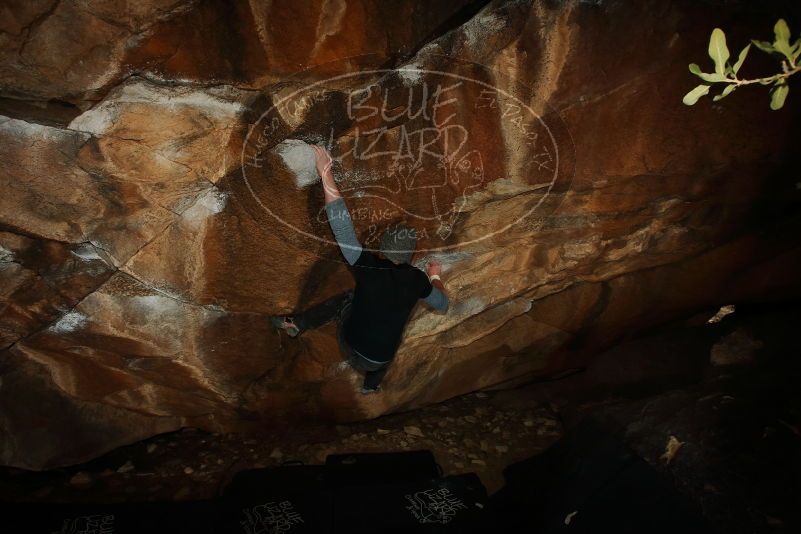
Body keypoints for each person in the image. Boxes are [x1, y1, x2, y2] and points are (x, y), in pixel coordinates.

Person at [272, 145, 449, 393]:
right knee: (395, 327)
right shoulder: (417, 279)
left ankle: (297, 323)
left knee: (349, 299)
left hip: (352, 347)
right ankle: (371, 385)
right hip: (380, 360)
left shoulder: (369, 267)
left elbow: (342, 228)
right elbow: (443, 303)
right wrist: (435, 275)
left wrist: (325, 173)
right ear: (409, 256)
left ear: (383, 250)